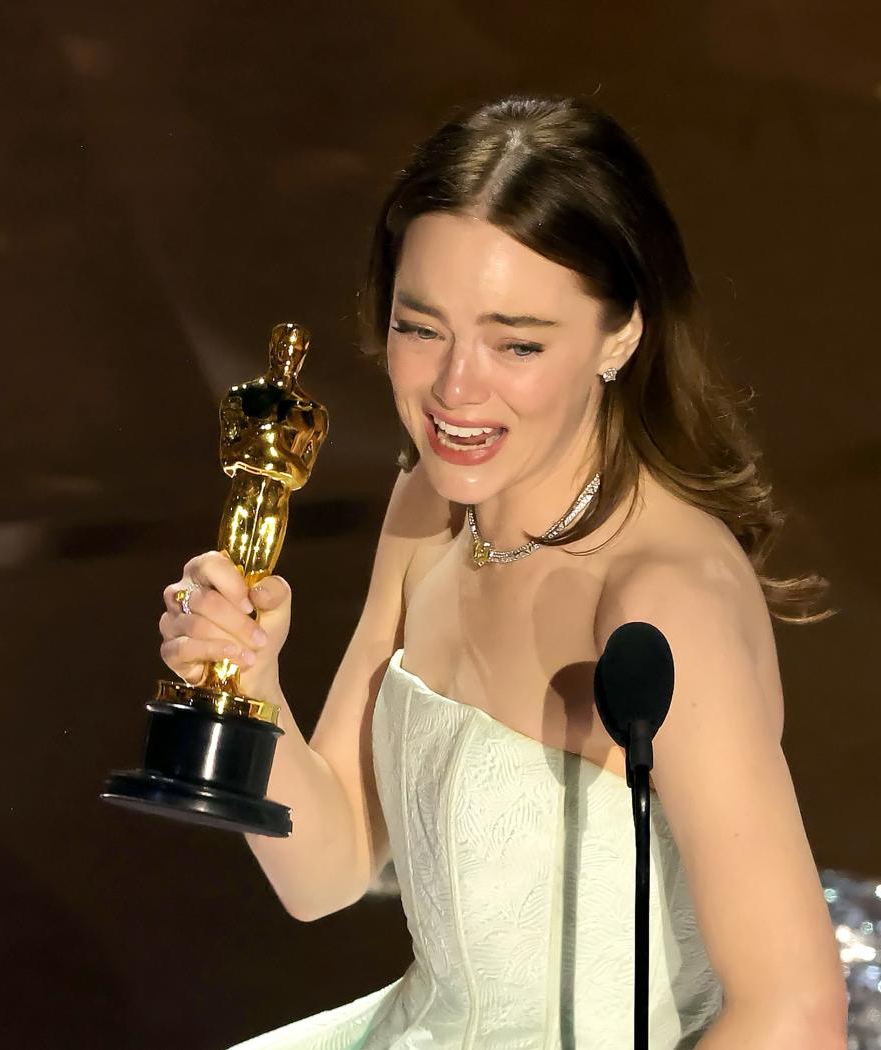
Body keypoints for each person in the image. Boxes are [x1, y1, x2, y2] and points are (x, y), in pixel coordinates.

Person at [158, 95, 848, 1049]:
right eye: (422, 327)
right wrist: (249, 687)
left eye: (517, 343)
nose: (455, 390)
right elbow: (327, 876)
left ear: (620, 335)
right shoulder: (429, 509)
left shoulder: (661, 599)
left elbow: (795, 1013)